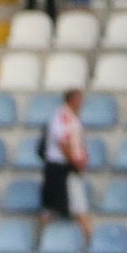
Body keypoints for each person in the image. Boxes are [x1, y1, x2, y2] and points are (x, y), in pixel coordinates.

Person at [40, 88, 92, 244]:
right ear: (71, 100)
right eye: (79, 99)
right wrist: (75, 162)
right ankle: (42, 241)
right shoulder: (61, 117)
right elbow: (63, 142)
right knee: (53, 207)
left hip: (67, 166)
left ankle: (87, 240)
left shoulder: (73, 118)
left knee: (68, 205)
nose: (81, 103)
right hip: (60, 167)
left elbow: (76, 142)